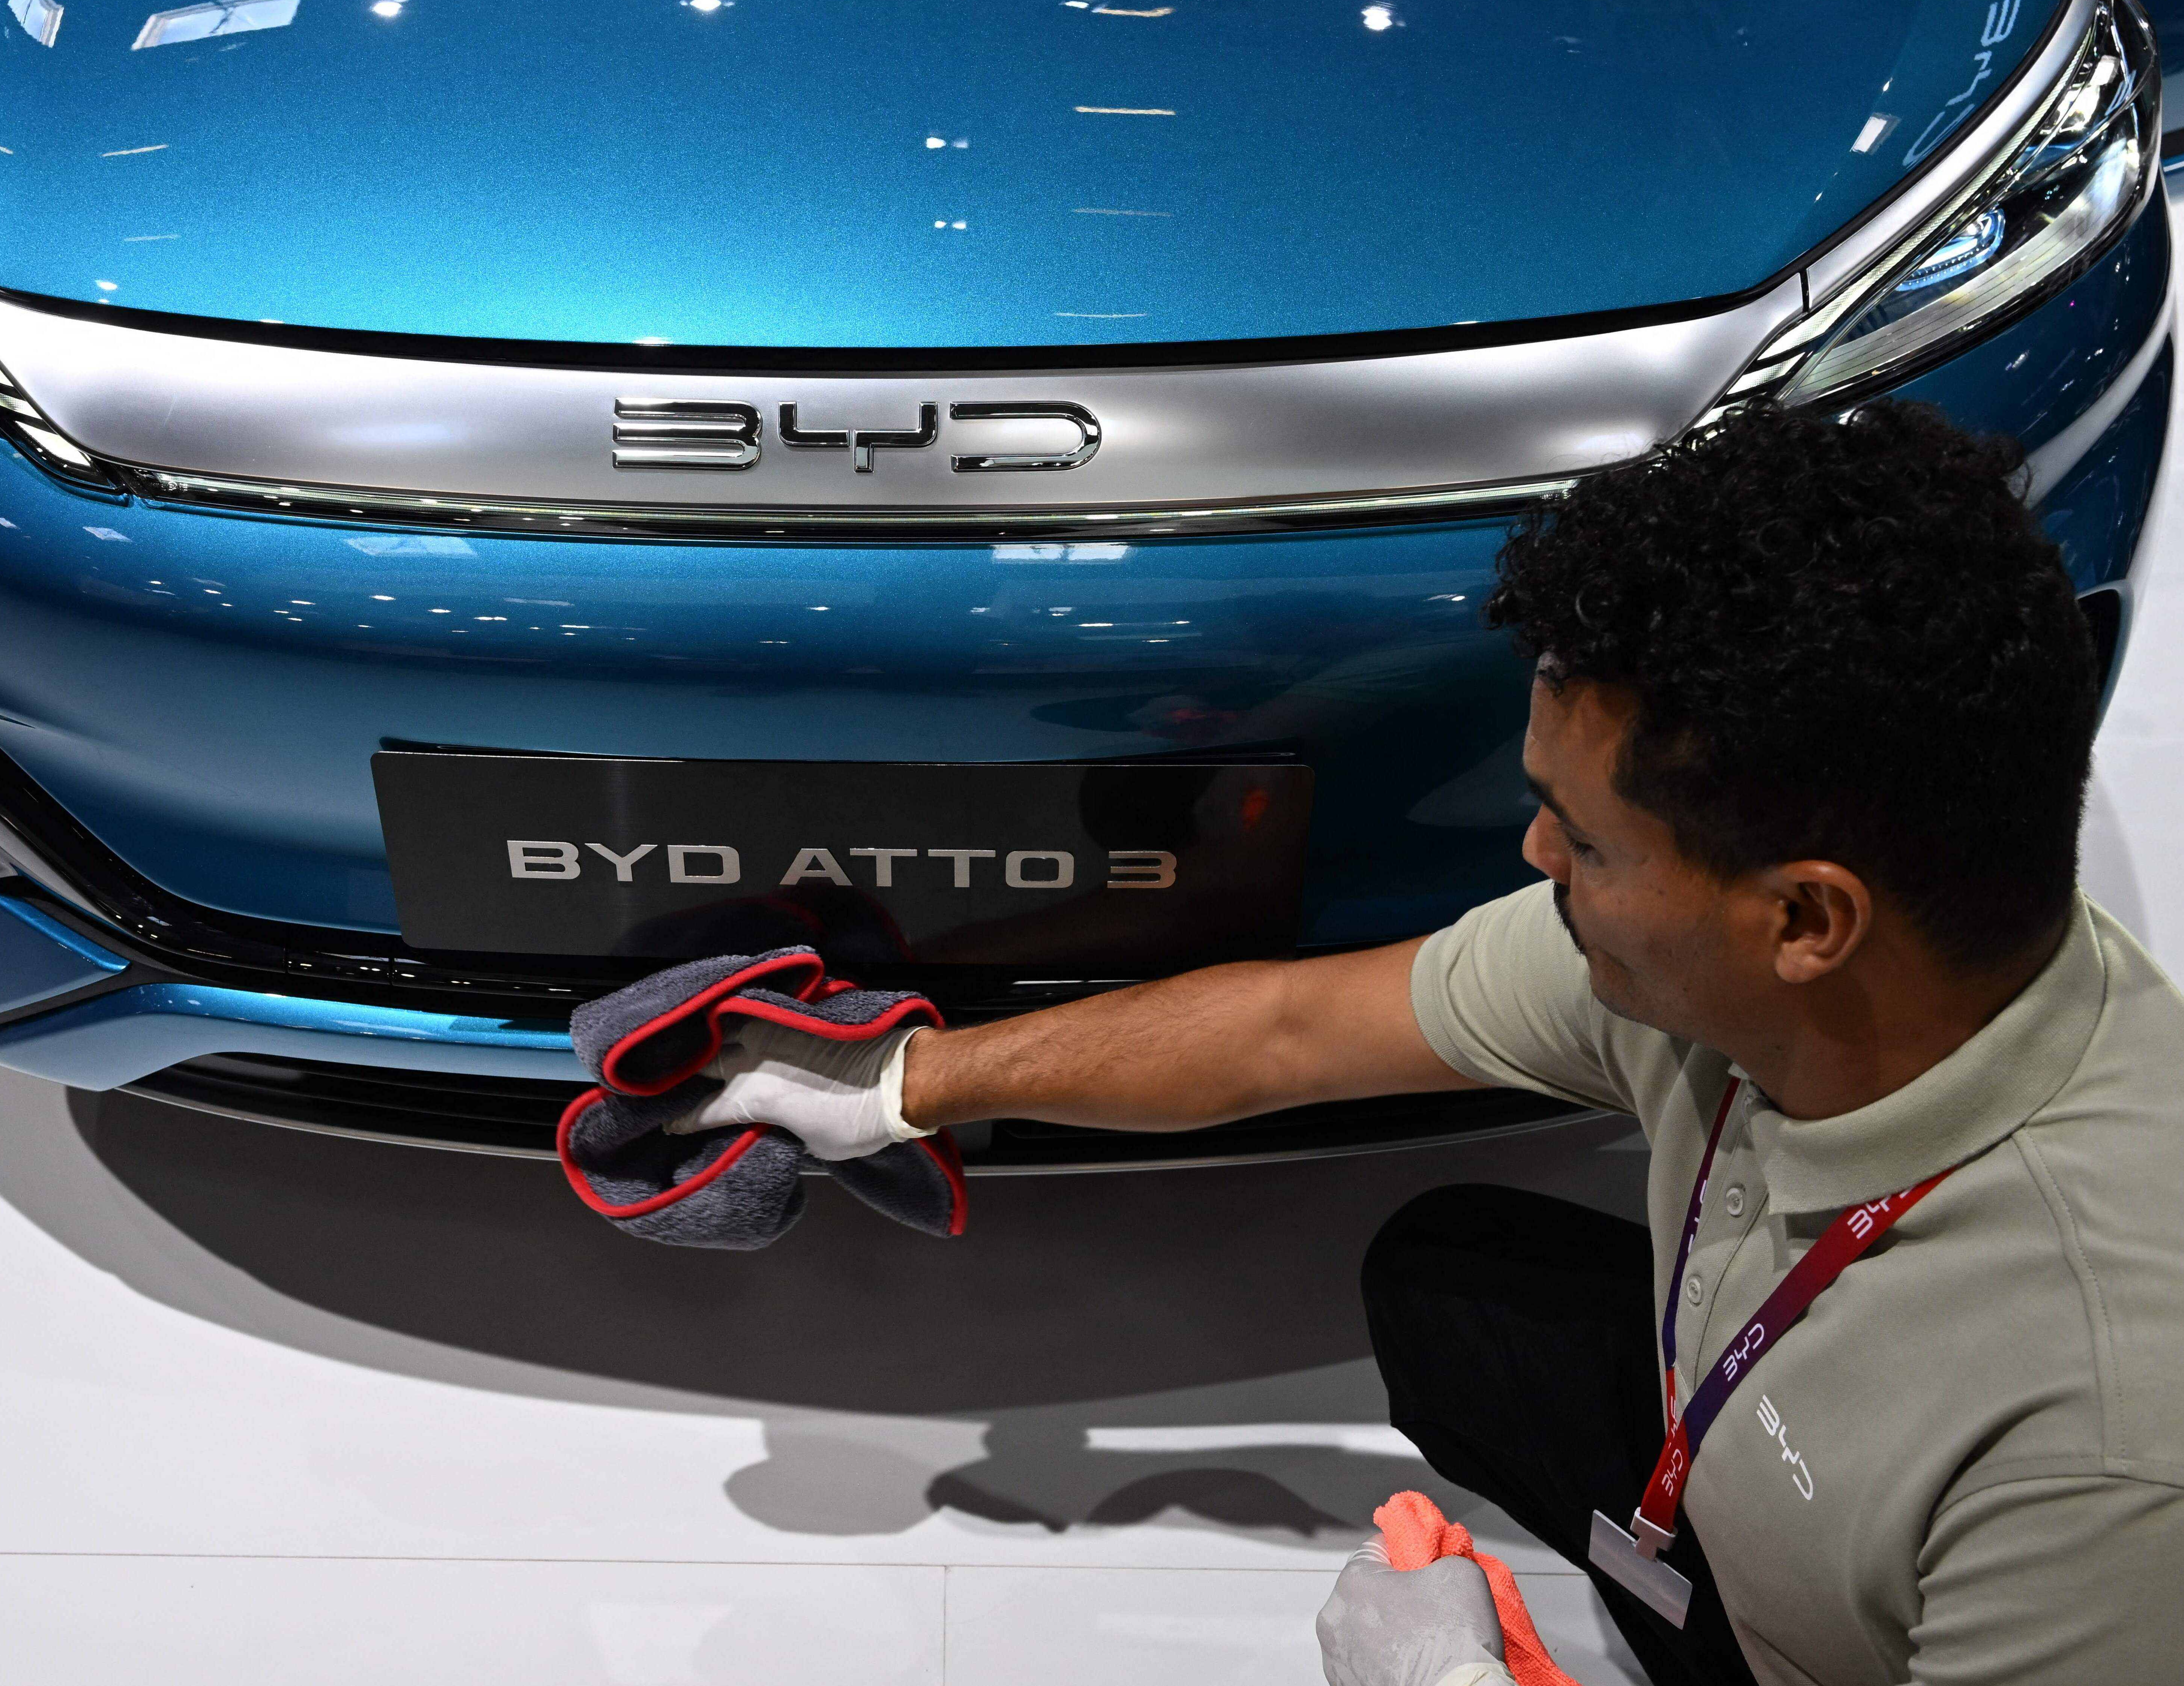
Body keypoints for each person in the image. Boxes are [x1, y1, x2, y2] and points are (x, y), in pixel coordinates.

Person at [659, 398, 2184, 1686]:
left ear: (1803, 918)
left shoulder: (2103, 1453)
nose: (1534, 854)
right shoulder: (1746, 978)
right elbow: (1284, 1032)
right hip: (1742, 1489)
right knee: (1447, 1291)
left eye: (1584, 839)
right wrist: (901, 1082)